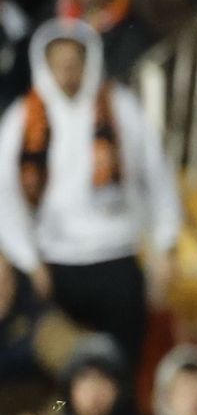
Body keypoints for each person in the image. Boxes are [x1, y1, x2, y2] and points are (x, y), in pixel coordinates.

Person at [0, 20, 181, 370]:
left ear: (90, 61)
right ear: (44, 64)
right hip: (55, 264)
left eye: (74, 61)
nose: (67, 71)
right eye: (59, 62)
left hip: (118, 256)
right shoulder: (22, 118)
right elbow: (4, 194)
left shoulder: (120, 107)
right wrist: (28, 259)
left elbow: (158, 175)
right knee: (67, 367)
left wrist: (166, 243)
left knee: (123, 365)